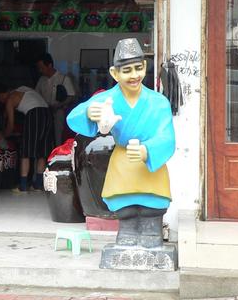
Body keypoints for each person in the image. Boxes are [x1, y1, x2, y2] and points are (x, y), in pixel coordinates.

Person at [66, 38, 175, 248]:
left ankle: (152, 233)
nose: (134, 75)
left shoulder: (159, 102)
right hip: (123, 159)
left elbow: (167, 137)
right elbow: (74, 116)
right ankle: (126, 233)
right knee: (125, 205)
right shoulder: (108, 99)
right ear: (115, 73)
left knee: (152, 204)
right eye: (126, 70)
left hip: (149, 162)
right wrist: (89, 112)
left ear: (145, 67)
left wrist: (147, 150)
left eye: (138, 68)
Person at [0, 84, 54, 192]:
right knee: (42, 151)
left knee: (26, 151)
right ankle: (37, 185)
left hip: (34, 114)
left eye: (1, 97)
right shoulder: (22, 88)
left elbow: (11, 126)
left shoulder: (10, 100)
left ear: (5, 93)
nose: (2, 100)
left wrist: (2, 137)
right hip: (47, 113)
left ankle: (22, 186)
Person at [35, 53, 76, 144]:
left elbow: (71, 96)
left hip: (59, 111)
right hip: (44, 112)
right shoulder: (41, 80)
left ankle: (58, 151)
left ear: (49, 65)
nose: (40, 70)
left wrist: (58, 105)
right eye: (39, 68)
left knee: (58, 134)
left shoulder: (63, 79)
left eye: (42, 67)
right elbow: (36, 95)